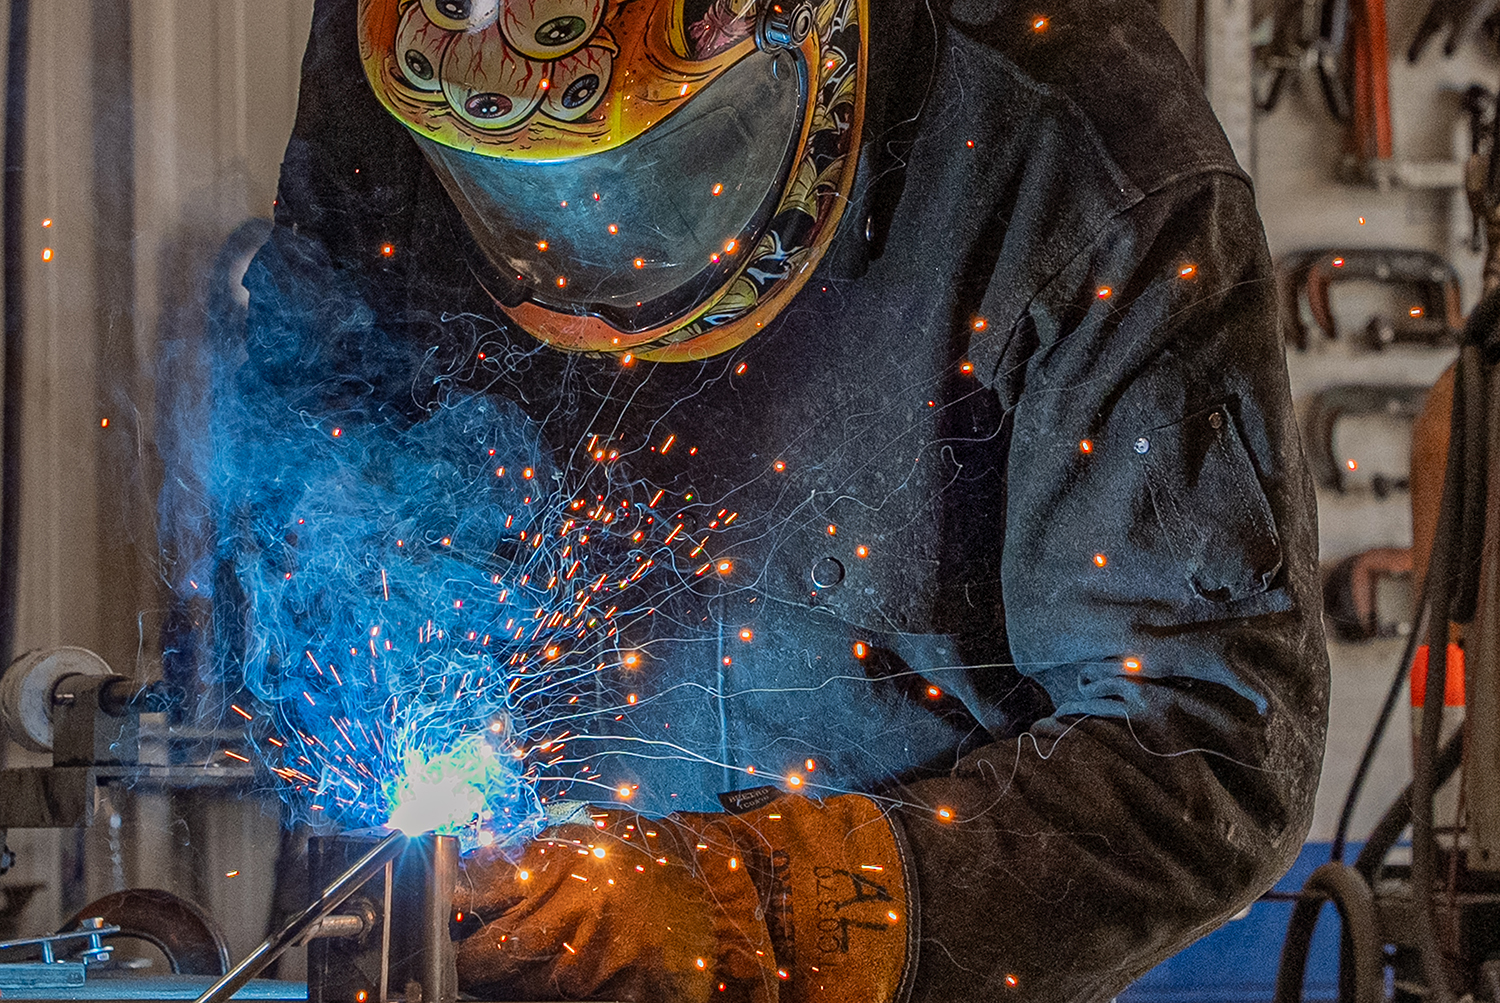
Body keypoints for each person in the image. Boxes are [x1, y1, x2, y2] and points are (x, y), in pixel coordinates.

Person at [242, 0, 1330, 999]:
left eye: (633, 183)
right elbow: (306, 455)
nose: (592, 307)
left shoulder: (1083, 163)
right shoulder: (412, 57)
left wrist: (736, 909)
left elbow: (1204, 747)